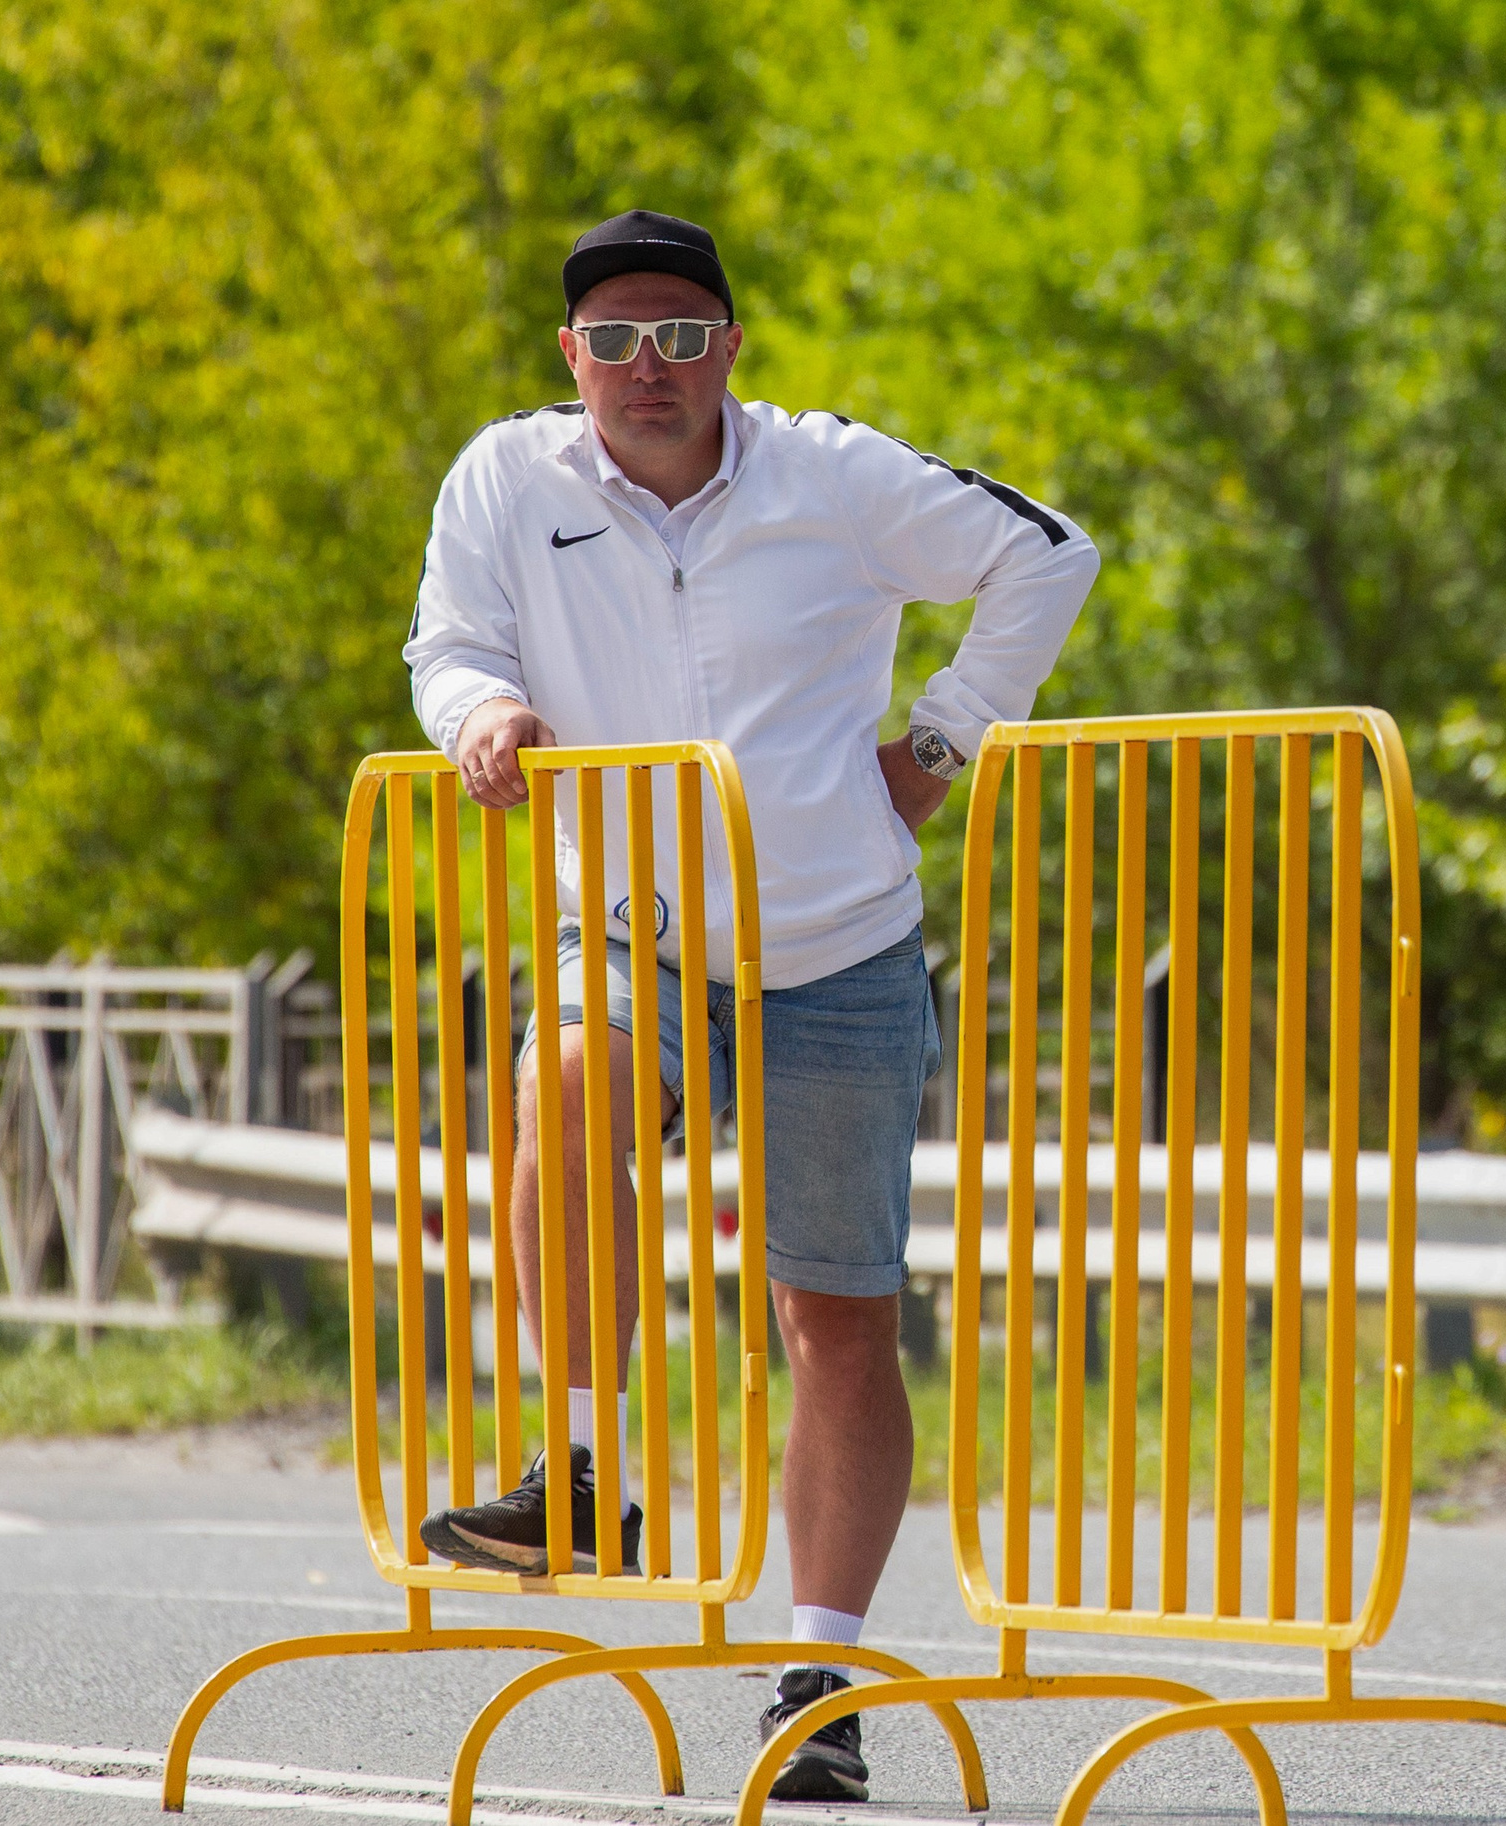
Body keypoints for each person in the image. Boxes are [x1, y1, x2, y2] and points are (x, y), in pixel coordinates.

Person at [401, 210, 1096, 1802]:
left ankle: (822, 1680)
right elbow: (447, 641)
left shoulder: (830, 476)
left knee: (835, 1317)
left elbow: (1047, 551)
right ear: (570, 357)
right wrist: (482, 711)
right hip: (627, 918)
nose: (652, 371)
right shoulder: (507, 479)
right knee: (560, 1085)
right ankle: (579, 1471)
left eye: (683, 336)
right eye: (618, 341)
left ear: (733, 347)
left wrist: (944, 742)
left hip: (834, 935)